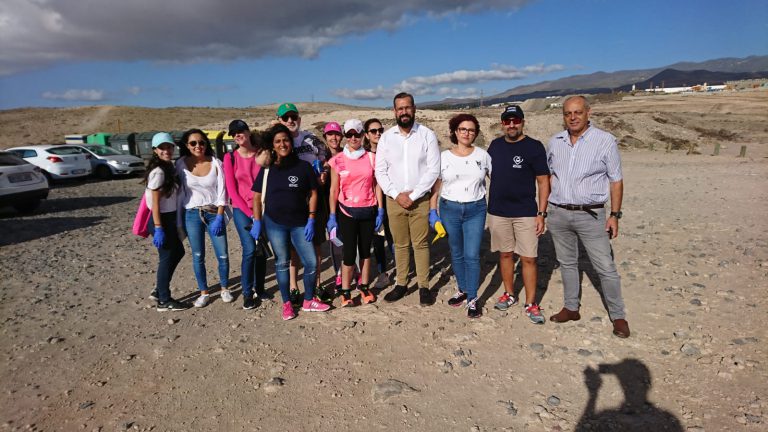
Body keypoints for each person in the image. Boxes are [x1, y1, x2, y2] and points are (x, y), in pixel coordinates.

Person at [546, 95, 629, 338]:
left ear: (588, 113)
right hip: (559, 213)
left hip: (591, 214)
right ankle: (571, 308)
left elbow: (616, 180)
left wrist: (614, 215)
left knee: (605, 267)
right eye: (567, 113)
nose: (572, 117)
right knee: (567, 263)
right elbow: (549, 176)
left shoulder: (604, 141)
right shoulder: (555, 142)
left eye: (577, 112)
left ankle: (618, 316)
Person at [250, 123, 331, 320]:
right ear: (273, 145)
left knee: (311, 262)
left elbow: (313, 193)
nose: (282, 144)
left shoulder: (303, 167)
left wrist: (311, 218)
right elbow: (256, 196)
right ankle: (287, 304)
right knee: (282, 263)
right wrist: (257, 221)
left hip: (300, 223)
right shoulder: (268, 169)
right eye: (277, 141)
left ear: (291, 142)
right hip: (275, 224)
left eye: (285, 140)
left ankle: (308, 300)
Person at [374, 92, 440, 305]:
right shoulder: (386, 138)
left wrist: (414, 194)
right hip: (394, 201)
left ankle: (424, 286)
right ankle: (401, 284)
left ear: (414, 109)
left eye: (407, 107)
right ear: (394, 111)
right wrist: (396, 195)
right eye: (400, 108)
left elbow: (433, 170)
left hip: (419, 200)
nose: (404, 112)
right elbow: (380, 171)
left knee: (420, 244)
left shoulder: (427, 135)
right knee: (400, 244)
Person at [487, 105, 550, 324]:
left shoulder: (534, 147)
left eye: (516, 120)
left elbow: (543, 181)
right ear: (502, 123)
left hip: (526, 212)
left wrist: (541, 213)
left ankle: (531, 303)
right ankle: (509, 293)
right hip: (498, 211)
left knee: (529, 258)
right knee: (505, 255)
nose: (512, 125)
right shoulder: (495, 146)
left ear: (523, 122)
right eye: (507, 121)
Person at [428, 114, 491, 318]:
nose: (467, 133)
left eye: (471, 130)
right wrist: (433, 212)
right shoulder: (444, 157)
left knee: (471, 254)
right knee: (456, 252)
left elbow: (497, 179)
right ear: (455, 131)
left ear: (476, 133)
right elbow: (436, 187)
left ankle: (472, 298)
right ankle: (462, 289)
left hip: (476, 209)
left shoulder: (483, 156)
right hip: (450, 209)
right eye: (462, 129)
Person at [326, 119, 384, 307]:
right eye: (349, 134)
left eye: (357, 134)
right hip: (347, 212)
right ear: (345, 136)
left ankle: (364, 287)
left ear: (362, 135)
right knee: (349, 253)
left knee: (366, 251)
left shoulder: (371, 158)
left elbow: (376, 185)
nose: (353, 138)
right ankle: (345, 291)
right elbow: (334, 190)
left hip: (368, 211)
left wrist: (381, 209)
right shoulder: (337, 160)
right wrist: (332, 215)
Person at [276, 103, 329, 303]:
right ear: (279, 120)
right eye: (286, 118)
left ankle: (317, 284)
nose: (290, 121)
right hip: (291, 198)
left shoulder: (311, 138)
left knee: (316, 242)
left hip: (314, 194)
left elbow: (324, 159)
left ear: (299, 118)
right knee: (292, 246)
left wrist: (324, 173)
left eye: (293, 117)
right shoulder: (279, 142)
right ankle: (293, 286)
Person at [176, 128, 231, 308]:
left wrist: (220, 216)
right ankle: (204, 292)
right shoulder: (181, 164)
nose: (198, 146)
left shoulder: (216, 163)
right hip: (192, 214)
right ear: (187, 145)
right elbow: (177, 192)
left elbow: (222, 191)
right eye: (193, 143)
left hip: (214, 213)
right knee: (198, 255)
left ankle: (224, 288)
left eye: (201, 142)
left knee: (222, 254)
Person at [223, 119, 270, 310]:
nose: (237, 135)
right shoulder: (230, 158)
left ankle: (260, 288)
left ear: (248, 132)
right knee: (249, 249)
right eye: (234, 133)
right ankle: (247, 293)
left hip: (264, 208)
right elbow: (232, 191)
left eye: (240, 131)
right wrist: (251, 215)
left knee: (261, 250)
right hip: (242, 210)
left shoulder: (261, 153)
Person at [144, 132, 188, 311]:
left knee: (178, 252)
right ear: (155, 150)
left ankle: (159, 290)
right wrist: (158, 228)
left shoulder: (169, 167)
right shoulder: (158, 172)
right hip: (161, 219)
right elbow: (155, 203)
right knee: (167, 257)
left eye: (169, 147)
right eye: (162, 148)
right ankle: (164, 300)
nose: (166, 150)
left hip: (169, 218)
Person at [363, 117, 395, 289]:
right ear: (366, 135)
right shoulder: (363, 155)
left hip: (391, 199)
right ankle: (383, 274)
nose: (378, 134)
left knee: (394, 237)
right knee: (378, 239)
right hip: (372, 203)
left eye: (380, 130)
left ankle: (403, 271)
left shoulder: (389, 151)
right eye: (373, 131)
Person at [321, 121, 345, 299]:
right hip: (326, 207)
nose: (334, 138)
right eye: (330, 134)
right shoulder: (320, 156)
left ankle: (349, 272)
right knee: (335, 242)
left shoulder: (347, 154)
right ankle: (338, 275)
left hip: (345, 205)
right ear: (325, 137)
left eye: (336, 134)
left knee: (348, 242)